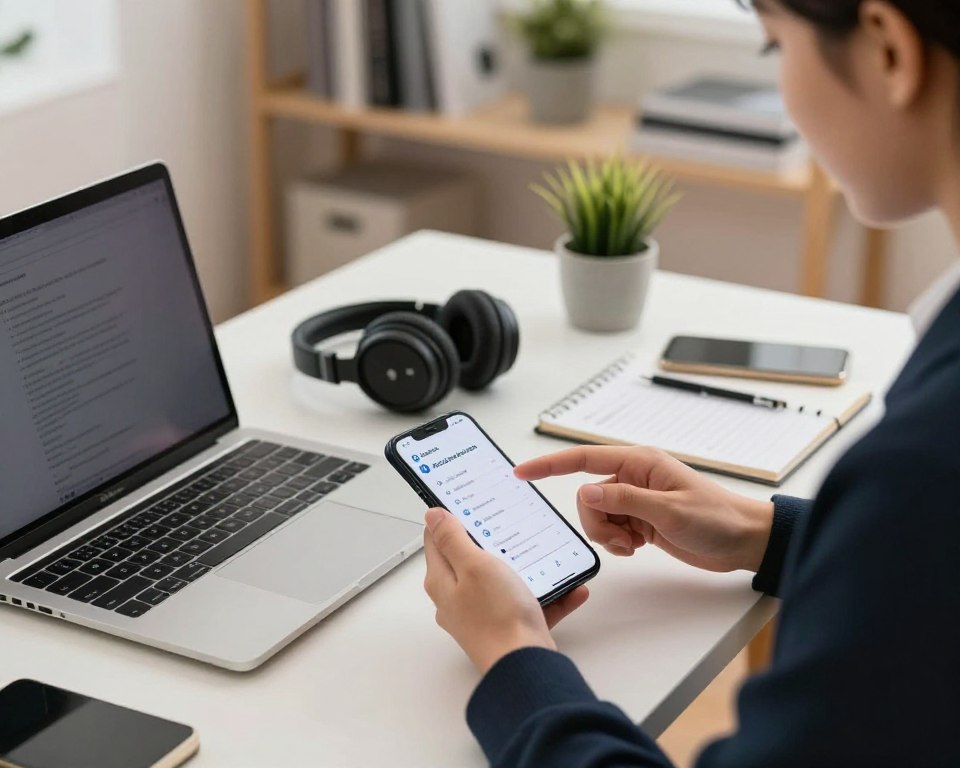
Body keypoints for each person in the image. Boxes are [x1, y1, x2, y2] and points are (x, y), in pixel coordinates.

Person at [420, 1, 960, 765]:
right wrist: (760, 531)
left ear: (889, 50)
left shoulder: (921, 470)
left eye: (776, 48)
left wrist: (511, 653)